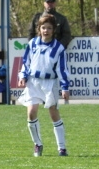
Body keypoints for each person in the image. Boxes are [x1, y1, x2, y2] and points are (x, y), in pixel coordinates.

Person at [18, 13, 70, 157]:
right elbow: (26, 62)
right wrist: (22, 76)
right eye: (43, 28)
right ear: (39, 29)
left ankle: (62, 148)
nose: (46, 30)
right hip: (33, 82)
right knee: (31, 112)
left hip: (49, 83)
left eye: (49, 28)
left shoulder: (58, 48)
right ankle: (37, 144)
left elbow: (62, 69)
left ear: (53, 30)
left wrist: (65, 87)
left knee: (53, 113)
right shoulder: (33, 44)